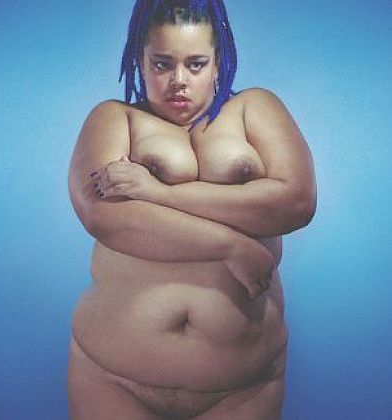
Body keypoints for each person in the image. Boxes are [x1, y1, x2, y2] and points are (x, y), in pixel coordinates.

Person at [67, 1, 317, 419]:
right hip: (113, 380)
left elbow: (295, 202)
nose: (178, 81)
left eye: (196, 64)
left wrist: (157, 193)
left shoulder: (256, 108)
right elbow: (104, 217)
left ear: (219, 62)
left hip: (243, 389)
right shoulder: (115, 117)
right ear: (140, 61)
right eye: (162, 64)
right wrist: (230, 246)